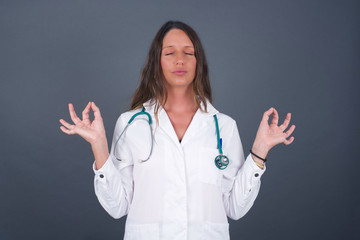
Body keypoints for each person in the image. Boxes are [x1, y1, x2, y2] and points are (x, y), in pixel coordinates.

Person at [59, 21, 295, 240]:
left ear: (198, 62)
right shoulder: (130, 124)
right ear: (156, 62)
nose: (179, 60)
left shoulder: (223, 126)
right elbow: (117, 207)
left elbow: (235, 207)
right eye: (170, 53)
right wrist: (99, 147)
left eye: (188, 53)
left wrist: (259, 151)